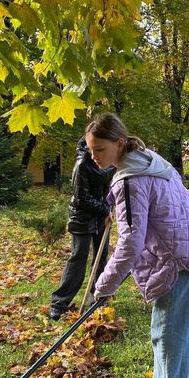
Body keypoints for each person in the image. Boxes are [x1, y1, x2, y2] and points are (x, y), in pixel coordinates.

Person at [87, 112, 189, 378]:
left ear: (119, 143)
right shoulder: (149, 160)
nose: (94, 156)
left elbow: (130, 243)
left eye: (100, 150)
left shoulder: (130, 180)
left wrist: (104, 285)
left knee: (167, 326)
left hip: (174, 256)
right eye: (91, 149)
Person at [49, 137, 115, 320]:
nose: (97, 155)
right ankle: (59, 302)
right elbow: (81, 199)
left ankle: (98, 298)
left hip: (102, 218)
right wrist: (105, 209)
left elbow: (112, 187)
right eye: (94, 150)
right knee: (78, 258)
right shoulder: (82, 165)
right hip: (82, 218)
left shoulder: (108, 162)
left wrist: (111, 205)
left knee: (101, 258)